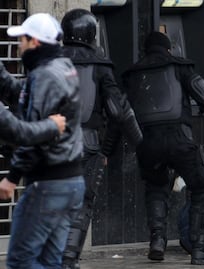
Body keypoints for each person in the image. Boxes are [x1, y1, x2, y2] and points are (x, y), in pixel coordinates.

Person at [122, 31, 204, 265]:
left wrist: (105, 149)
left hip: (147, 142)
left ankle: (157, 241)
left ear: (145, 51)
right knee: (202, 186)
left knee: (156, 188)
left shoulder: (132, 74)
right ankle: (200, 247)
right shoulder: (179, 67)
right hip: (178, 138)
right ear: (168, 49)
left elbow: (120, 110)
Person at [0, 13, 85, 268]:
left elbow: (27, 134)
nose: (18, 46)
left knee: (21, 260)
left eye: (22, 40)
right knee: (50, 261)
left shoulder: (44, 75)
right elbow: (24, 97)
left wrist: (12, 176)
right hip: (70, 182)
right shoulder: (64, 67)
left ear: (34, 42)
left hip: (48, 185)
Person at [59, 9, 143, 269]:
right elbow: (119, 111)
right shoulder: (99, 65)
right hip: (87, 145)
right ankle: (67, 259)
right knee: (81, 204)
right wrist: (142, 144)